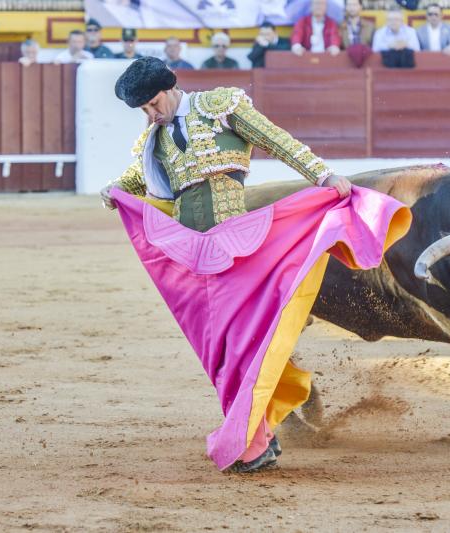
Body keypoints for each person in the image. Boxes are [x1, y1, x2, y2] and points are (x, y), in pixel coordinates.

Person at [100, 57, 356, 473]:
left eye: (152, 105)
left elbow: (278, 141)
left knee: (240, 343)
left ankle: (257, 440)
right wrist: (113, 190)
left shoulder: (220, 106)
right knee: (219, 349)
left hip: (238, 243)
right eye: (143, 110)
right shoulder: (156, 138)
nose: (150, 115)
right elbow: (134, 177)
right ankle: (261, 432)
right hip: (193, 252)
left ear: (168, 88)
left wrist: (325, 177)